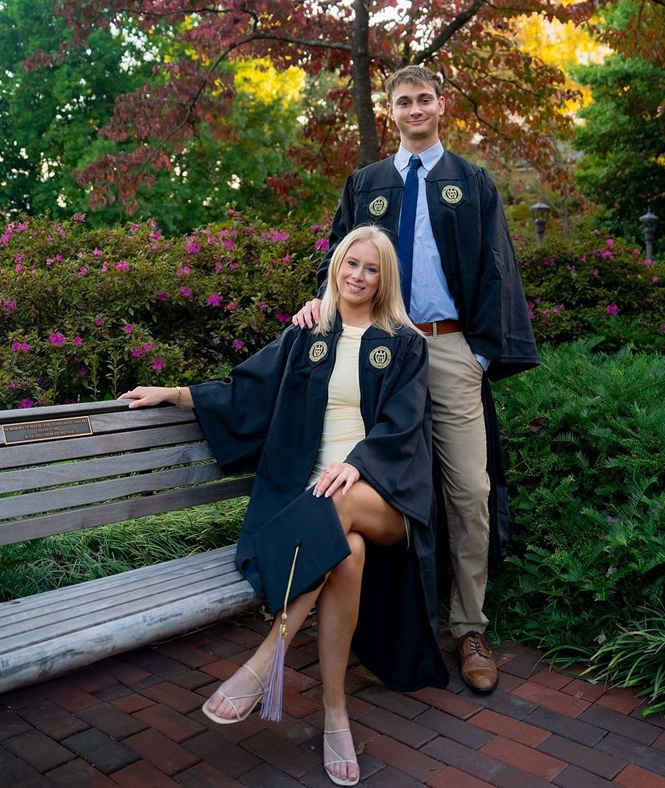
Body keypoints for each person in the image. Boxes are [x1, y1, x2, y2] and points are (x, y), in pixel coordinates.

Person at [120, 225, 447, 787]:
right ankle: (335, 714)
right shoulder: (308, 333)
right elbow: (247, 391)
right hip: (310, 497)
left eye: (371, 269)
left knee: (343, 510)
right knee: (346, 553)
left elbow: (405, 424)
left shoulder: (406, 344)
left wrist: (360, 463)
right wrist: (173, 394)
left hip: (383, 494)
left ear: (384, 278)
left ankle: (266, 659)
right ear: (336, 266)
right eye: (350, 264)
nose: (358, 276)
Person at [293, 65, 539, 694]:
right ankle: (383, 623)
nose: (415, 108)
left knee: (468, 492)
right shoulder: (367, 183)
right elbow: (340, 262)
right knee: (382, 486)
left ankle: (470, 625)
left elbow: (496, 267)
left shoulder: (471, 182)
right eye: (403, 101)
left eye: (424, 98)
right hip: (378, 355)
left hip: (447, 346)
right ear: (390, 112)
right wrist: (318, 307)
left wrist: (480, 354)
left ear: (440, 105)